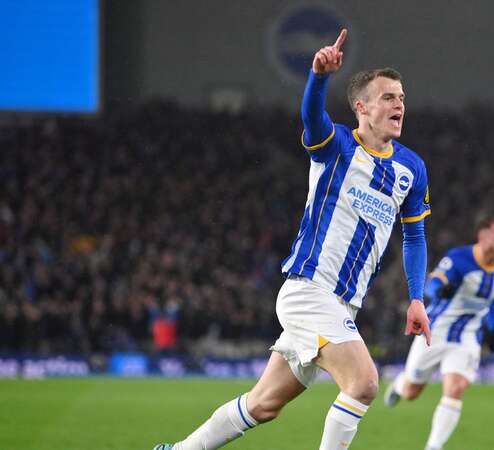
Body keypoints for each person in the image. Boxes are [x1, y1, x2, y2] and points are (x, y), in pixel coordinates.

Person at [153, 28, 433, 450]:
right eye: (389, 97)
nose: (399, 105)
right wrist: (319, 78)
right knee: (363, 383)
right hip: (309, 291)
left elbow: (414, 235)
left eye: (402, 98)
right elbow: (311, 120)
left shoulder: (412, 168)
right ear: (362, 107)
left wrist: (416, 297)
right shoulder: (337, 144)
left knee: (263, 405)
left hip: (342, 304)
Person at [384, 216, 494, 450]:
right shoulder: (459, 258)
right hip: (435, 332)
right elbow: (431, 283)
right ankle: (399, 384)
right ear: (483, 237)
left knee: (456, 388)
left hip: (468, 338)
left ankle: (434, 446)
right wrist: (439, 289)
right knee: (412, 391)